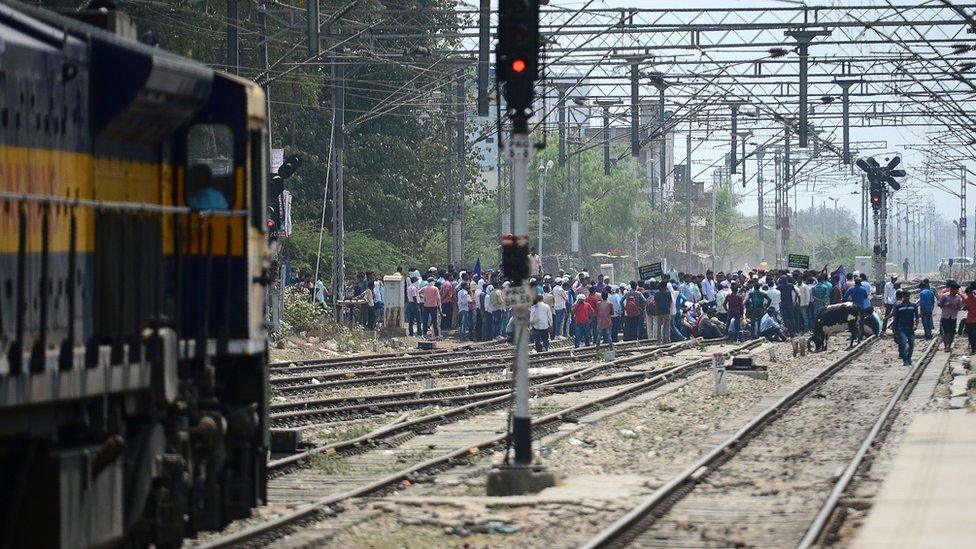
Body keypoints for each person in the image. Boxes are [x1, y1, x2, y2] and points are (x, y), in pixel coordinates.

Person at [892, 289, 919, 366]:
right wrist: (895, 330)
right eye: (905, 296)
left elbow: (916, 317)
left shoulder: (913, 306)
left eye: (908, 296)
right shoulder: (898, 307)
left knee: (911, 343)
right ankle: (905, 360)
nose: (907, 298)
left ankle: (909, 357)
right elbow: (896, 319)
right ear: (903, 297)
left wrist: (916, 325)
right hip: (901, 328)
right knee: (903, 344)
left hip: (910, 328)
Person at [937, 281, 963, 352]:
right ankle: (946, 347)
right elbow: (938, 304)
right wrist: (946, 305)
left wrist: (956, 307)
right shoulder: (945, 296)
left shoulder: (958, 298)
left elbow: (960, 307)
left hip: (953, 317)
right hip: (945, 317)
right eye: (956, 289)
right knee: (946, 332)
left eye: (957, 289)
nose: (957, 291)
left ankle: (950, 346)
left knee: (952, 333)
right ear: (951, 289)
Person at [963, 284, 976, 355]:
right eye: (967, 294)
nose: (968, 295)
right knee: (970, 335)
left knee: (974, 334)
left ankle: (974, 348)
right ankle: (973, 349)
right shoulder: (967, 300)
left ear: (972, 292)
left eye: (969, 294)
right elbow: (965, 308)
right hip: (969, 320)